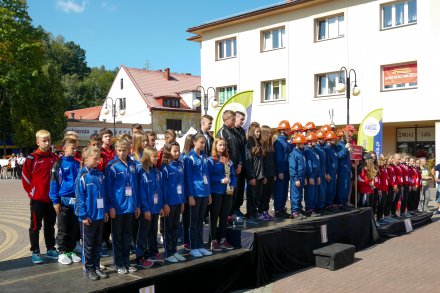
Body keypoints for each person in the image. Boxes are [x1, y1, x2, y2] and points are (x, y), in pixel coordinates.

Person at [22, 129, 59, 264]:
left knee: (50, 225)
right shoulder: (32, 158)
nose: (47, 143)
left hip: (51, 199)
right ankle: (35, 251)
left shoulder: (55, 158)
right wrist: (32, 192)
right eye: (44, 141)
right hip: (37, 199)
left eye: (49, 140)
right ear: (37, 142)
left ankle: (50, 248)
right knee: (35, 226)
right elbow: (26, 177)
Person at [75, 146, 109, 281]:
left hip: (99, 215)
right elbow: (80, 198)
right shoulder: (82, 176)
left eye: (98, 158)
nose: (97, 161)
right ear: (86, 158)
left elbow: (104, 195)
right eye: (94, 159)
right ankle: (89, 268)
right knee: (88, 245)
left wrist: (105, 210)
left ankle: (96, 266)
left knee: (97, 243)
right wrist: (83, 215)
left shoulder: (100, 175)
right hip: (88, 217)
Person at [106, 139, 140, 274]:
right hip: (118, 207)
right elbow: (108, 188)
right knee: (117, 236)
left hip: (130, 206)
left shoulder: (133, 164)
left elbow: (136, 186)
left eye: (124, 150)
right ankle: (119, 263)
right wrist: (111, 206)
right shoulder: (112, 166)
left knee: (127, 236)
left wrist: (137, 205)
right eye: (119, 150)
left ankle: (126, 261)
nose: (122, 153)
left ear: (129, 149)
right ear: (116, 150)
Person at [49, 138, 81, 265]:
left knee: (74, 227)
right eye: (72, 148)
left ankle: (70, 250)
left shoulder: (77, 163)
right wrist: (55, 201)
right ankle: (61, 251)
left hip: (76, 201)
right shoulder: (58, 164)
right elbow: (54, 183)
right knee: (63, 228)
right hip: (63, 202)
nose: (75, 151)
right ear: (64, 149)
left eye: (76, 148)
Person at [184, 134, 212, 258]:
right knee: (193, 222)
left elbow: (207, 176)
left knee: (201, 221)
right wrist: (190, 195)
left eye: (204, 143)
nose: (203, 145)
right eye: (201, 142)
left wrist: (209, 193)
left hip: (204, 193)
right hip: (195, 193)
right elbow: (188, 178)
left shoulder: (204, 157)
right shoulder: (189, 158)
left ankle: (200, 245)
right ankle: (193, 246)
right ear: (194, 142)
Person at [137, 147, 165, 265]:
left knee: (153, 232)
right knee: (143, 233)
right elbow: (141, 192)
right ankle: (140, 257)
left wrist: (161, 206)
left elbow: (159, 191)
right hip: (147, 209)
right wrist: (145, 209)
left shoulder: (157, 172)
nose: (157, 158)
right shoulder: (142, 172)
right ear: (148, 157)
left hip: (155, 208)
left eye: (157, 155)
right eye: (154, 156)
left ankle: (153, 253)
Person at [208, 138, 236, 251]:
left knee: (224, 216)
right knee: (214, 216)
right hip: (216, 191)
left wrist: (233, 185)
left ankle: (223, 239)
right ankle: (213, 240)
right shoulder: (211, 160)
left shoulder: (228, 160)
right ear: (215, 146)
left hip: (228, 192)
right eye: (220, 145)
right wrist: (220, 180)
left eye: (224, 145)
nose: (222, 147)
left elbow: (233, 175)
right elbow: (209, 176)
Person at [217, 110, 244, 224]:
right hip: (227, 165)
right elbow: (224, 150)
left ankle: (233, 212)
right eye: (232, 119)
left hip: (236, 165)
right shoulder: (223, 132)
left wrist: (240, 163)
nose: (234, 121)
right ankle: (226, 215)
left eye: (234, 119)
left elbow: (239, 150)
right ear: (226, 119)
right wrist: (229, 165)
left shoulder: (235, 132)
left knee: (235, 190)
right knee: (228, 191)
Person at [161, 142, 187, 262]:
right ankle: (168, 252)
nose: (177, 153)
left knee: (176, 227)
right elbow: (163, 187)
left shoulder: (180, 165)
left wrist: (182, 201)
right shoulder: (165, 167)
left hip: (178, 201)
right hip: (169, 203)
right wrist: (165, 203)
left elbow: (182, 184)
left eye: (178, 151)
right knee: (168, 228)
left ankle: (174, 250)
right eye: (175, 151)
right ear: (168, 152)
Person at [244, 123, 264, 224]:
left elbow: (261, 161)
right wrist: (251, 176)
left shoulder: (259, 144)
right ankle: (250, 213)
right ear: (252, 132)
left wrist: (263, 175)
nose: (259, 133)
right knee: (251, 195)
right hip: (253, 175)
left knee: (257, 195)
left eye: (260, 132)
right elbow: (248, 162)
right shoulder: (249, 144)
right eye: (257, 132)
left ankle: (255, 212)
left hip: (260, 174)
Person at [273, 120, 291, 218]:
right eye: (288, 129)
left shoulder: (285, 142)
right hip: (281, 170)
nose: (289, 131)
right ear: (283, 130)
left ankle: (282, 208)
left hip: (286, 170)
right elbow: (279, 158)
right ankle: (278, 210)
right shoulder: (278, 142)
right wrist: (279, 171)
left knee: (284, 191)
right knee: (279, 191)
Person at [289, 133, 307, 219]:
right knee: (295, 195)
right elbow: (292, 168)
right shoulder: (294, 154)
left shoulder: (301, 153)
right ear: (297, 144)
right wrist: (296, 179)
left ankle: (299, 209)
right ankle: (294, 211)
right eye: (302, 143)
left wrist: (305, 177)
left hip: (302, 177)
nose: (303, 145)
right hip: (296, 178)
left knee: (300, 195)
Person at [260, 125, 275, 221]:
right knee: (263, 194)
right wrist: (263, 175)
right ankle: (261, 211)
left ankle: (265, 211)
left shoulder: (270, 146)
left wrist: (273, 174)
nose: (270, 135)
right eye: (269, 133)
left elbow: (272, 162)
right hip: (265, 175)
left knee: (268, 194)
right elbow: (261, 163)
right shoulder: (262, 146)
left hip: (271, 174)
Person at [304, 132, 320, 217]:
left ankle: (313, 208)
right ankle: (309, 209)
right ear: (309, 141)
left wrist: (317, 176)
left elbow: (317, 164)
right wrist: (310, 176)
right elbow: (308, 165)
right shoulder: (307, 151)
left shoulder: (314, 150)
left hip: (315, 174)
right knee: (310, 193)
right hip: (310, 174)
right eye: (314, 140)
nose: (315, 142)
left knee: (314, 193)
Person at [335, 130, 352, 209]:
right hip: (342, 169)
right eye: (348, 136)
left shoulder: (346, 145)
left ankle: (344, 201)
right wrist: (345, 148)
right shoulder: (339, 145)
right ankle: (340, 203)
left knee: (347, 186)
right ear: (342, 137)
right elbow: (339, 155)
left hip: (347, 169)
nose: (349, 138)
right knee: (343, 186)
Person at [323, 131, 338, 211]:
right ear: (328, 140)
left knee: (332, 189)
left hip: (333, 172)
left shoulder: (332, 149)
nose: (335, 141)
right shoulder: (326, 149)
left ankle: (330, 203)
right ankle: (327, 204)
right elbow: (326, 163)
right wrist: (327, 173)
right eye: (333, 139)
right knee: (328, 189)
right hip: (329, 172)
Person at [314, 130, 327, 215]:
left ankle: (321, 206)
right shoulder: (317, 149)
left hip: (322, 172)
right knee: (319, 191)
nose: (324, 140)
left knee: (323, 191)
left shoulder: (322, 149)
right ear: (318, 139)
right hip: (319, 173)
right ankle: (318, 207)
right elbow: (318, 163)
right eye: (322, 139)